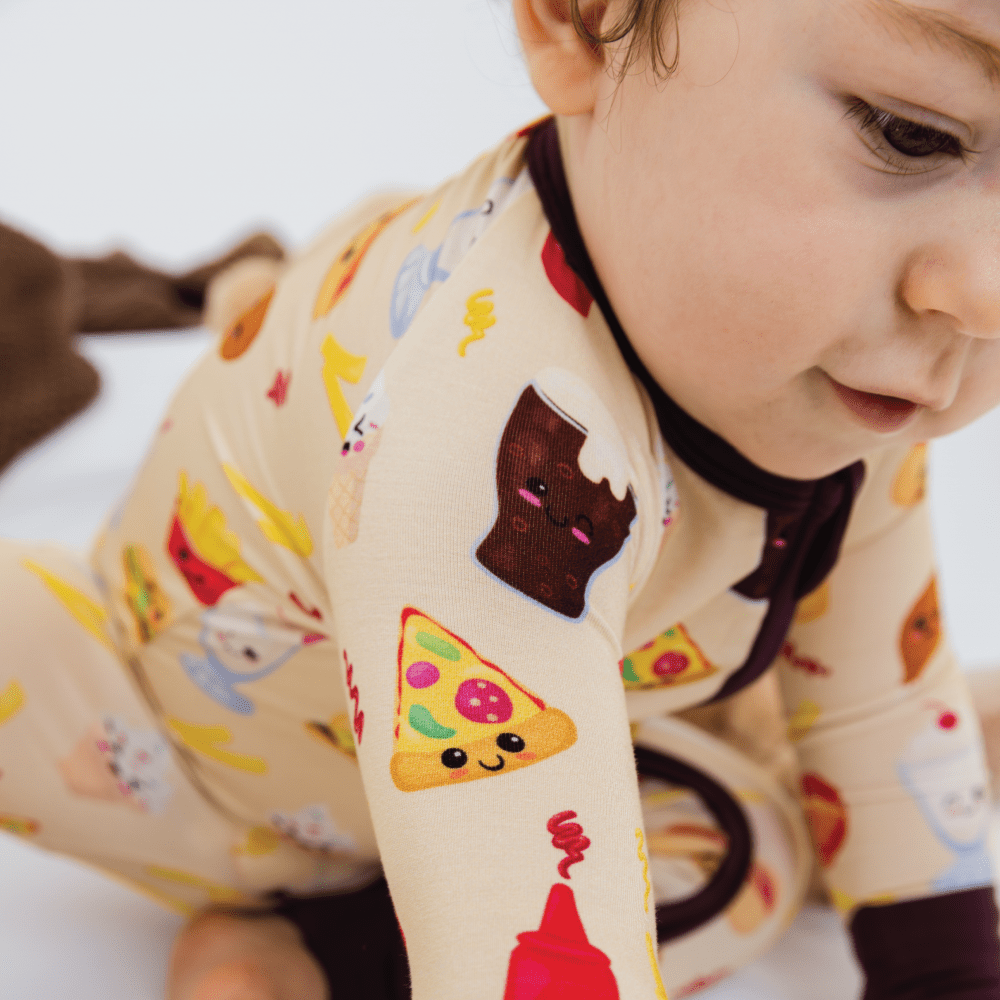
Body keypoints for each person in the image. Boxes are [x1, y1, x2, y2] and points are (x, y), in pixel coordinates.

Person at [3, 0, 1000, 997]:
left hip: (537, 742)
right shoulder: (481, 429)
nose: (985, 299)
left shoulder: (847, 386)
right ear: (585, 21)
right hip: (169, 758)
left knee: (744, 853)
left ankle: (319, 953)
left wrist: (949, 970)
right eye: (909, 133)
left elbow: (881, 691)